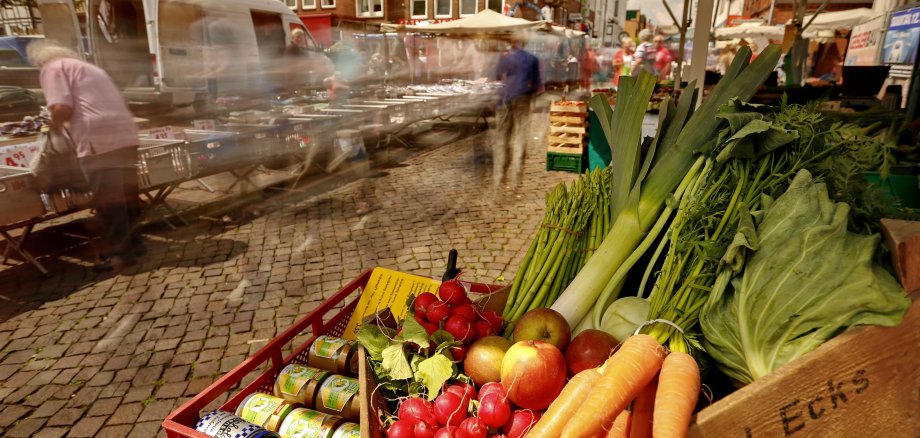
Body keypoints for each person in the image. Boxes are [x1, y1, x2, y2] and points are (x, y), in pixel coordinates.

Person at [27, 40, 144, 272]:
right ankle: (137, 245)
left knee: (108, 200)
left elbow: (61, 107)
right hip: (125, 132)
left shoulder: (52, 68)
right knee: (127, 195)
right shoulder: (88, 67)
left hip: (97, 138)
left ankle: (122, 254)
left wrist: (53, 129)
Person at [493, 35, 541, 192]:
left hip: (505, 99)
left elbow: (497, 78)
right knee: (520, 138)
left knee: (502, 139)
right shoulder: (532, 59)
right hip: (523, 99)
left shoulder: (504, 58)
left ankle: (499, 178)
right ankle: (516, 181)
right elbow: (537, 84)